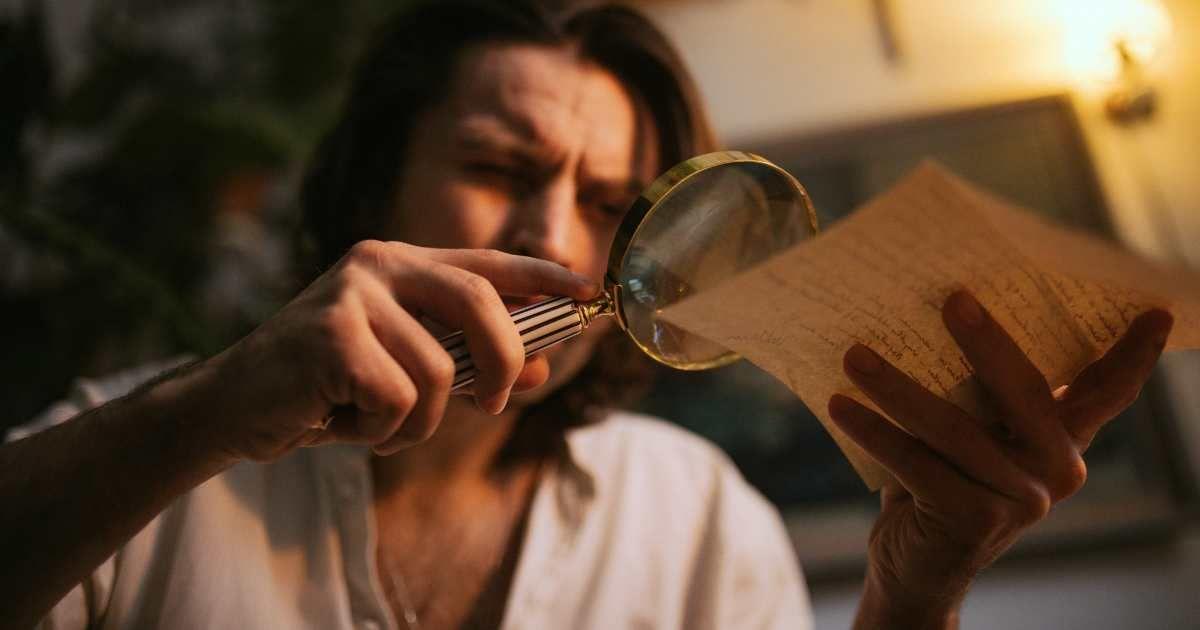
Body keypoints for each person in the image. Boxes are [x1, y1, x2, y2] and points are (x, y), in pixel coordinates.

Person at [0, 2, 1173, 629]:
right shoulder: (147, 458)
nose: (553, 236)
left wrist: (916, 604)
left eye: (613, 204)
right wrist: (204, 412)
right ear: (371, 185)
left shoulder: (701, 520)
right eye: (502, 162)